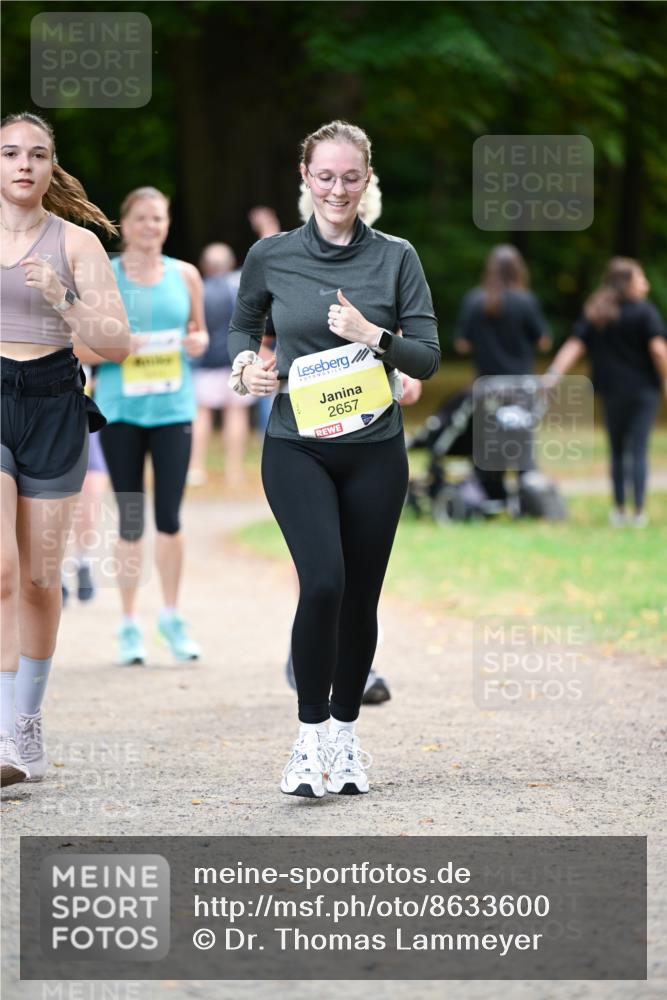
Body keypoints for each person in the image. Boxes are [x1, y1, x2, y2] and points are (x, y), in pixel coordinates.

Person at [228, 120, 440, 798]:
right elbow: (243, 324)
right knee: (322, 581)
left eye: (350, 176)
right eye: (325, 176)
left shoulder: (396, 257)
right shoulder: (271, 254)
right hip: (295, 446)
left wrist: (372, 335)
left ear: (367, 179)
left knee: (360, 598)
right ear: (304, 178)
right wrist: (243, 368)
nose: (337, 188)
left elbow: (428, 357)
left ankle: (345, 738)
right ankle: (308, 736)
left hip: (374, 451)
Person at [0, 111, 130, 786]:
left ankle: (25, 728)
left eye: (37, 154)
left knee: (39, 577)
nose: (23, 164)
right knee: (0, 567)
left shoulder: (74, 244)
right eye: (10, 153)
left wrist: (63, 299)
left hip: (55, 399)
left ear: (53, 167)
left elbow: (115, 343)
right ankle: (0, 738)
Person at [94, 187, 208, 665]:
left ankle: (172, 616)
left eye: (158, 218)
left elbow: (199, 331)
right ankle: (127, 624)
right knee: (131, 519)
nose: (150, 226)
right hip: (121, 411)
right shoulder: (106, 276)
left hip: (173, 410)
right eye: (141, 218)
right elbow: (79, 347)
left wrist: (197, 343)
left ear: (167, 223)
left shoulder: (186, 275)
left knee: (171, 518)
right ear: (125, 222)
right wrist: (122, 344)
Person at [546, 257, 667, 526]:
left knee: (616, 449)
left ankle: (619, 510)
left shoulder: (598, 313)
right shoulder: (644, 312)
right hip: (643, 391)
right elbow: (658, 349)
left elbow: (575, 345)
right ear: (627, 283)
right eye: (641, 278)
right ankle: (638, 512)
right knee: (638, 449)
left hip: (611, 391)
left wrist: (554, 374)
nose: (645, 284)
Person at [454, 244, 551, 501]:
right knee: (520, 436)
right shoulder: (526, 301)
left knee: (487, 438)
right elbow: (543, 341)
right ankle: (525, 492)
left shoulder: (475, 300)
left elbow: (462, 344)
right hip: (521, 385)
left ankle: (488, 490)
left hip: (487, 386)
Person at [188, 243, 254, 489]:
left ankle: (196, 468)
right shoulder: (240, 289)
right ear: (230, 263)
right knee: (236, 413)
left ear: (205, 266)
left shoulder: (199, 290)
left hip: (205, 362)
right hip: (237, 361)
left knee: (201, 414)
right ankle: (233, 470)